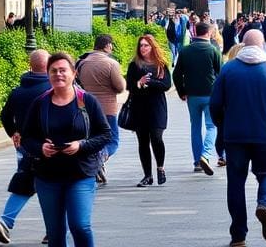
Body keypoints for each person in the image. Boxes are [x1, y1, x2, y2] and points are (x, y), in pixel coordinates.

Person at [209, 28, 266, 247]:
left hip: (235, 136)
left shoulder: (228, 70)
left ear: (243, 45)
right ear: (262, 44)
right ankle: (264, 204)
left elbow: (215, 104)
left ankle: (238, 236)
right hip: (265, 135)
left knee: (235, 183)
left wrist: (222, 125)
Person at [20, 52, 111, 247]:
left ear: (74, 73)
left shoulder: (87, 101)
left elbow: (105, 134)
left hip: (81, 173)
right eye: (53, 71)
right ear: (47, 74)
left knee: (80, 225)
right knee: (55, 233)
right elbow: (26, 138)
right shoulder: (40, 103)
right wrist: (41, 148)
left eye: (63, 70)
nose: (58, 74)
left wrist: (82, 145)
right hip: (47, 176)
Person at [0, 49, 50, 244]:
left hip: (24, 146)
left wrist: (13, 132)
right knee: (51, 187)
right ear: (49, 66)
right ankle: (52, 228)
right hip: (49, 146)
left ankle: (6, 220)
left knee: (25, 181)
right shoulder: (52, 88)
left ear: (30, 66)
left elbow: (5, 115)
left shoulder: (19, 90)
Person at [173, 21, 222, 175]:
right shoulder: (213, 50)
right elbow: (220, 73)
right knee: (211, 126)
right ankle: (206, 155)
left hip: (192, 95)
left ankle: (197, 162)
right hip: (210, 94)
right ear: (208, 33)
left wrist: (182, 91)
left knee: (195, 127)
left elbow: (176, 73)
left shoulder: (185, 51)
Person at [75, 35, 125, 185]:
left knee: (92, 139)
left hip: (86, 108)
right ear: (107, 46)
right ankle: (100, 158)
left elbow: (78, 83)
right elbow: (120, 87)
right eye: (111, 45)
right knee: (113, 140)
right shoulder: (111, 63)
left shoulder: (82, 63)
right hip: (107, 107)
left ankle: (94, 164)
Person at [125, 34, 172, 186]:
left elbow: (166, 85)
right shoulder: (134, 65)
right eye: (141, 45)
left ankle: (160, 167)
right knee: (143, 141)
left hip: (157, 107)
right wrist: (139, 83)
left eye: (146, 45)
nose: (143, 48)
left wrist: (150, 82)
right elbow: (129, 87)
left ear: (152, 47)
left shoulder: (161, 65)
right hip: (139, 107)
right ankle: (147, 175)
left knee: (157, 138)